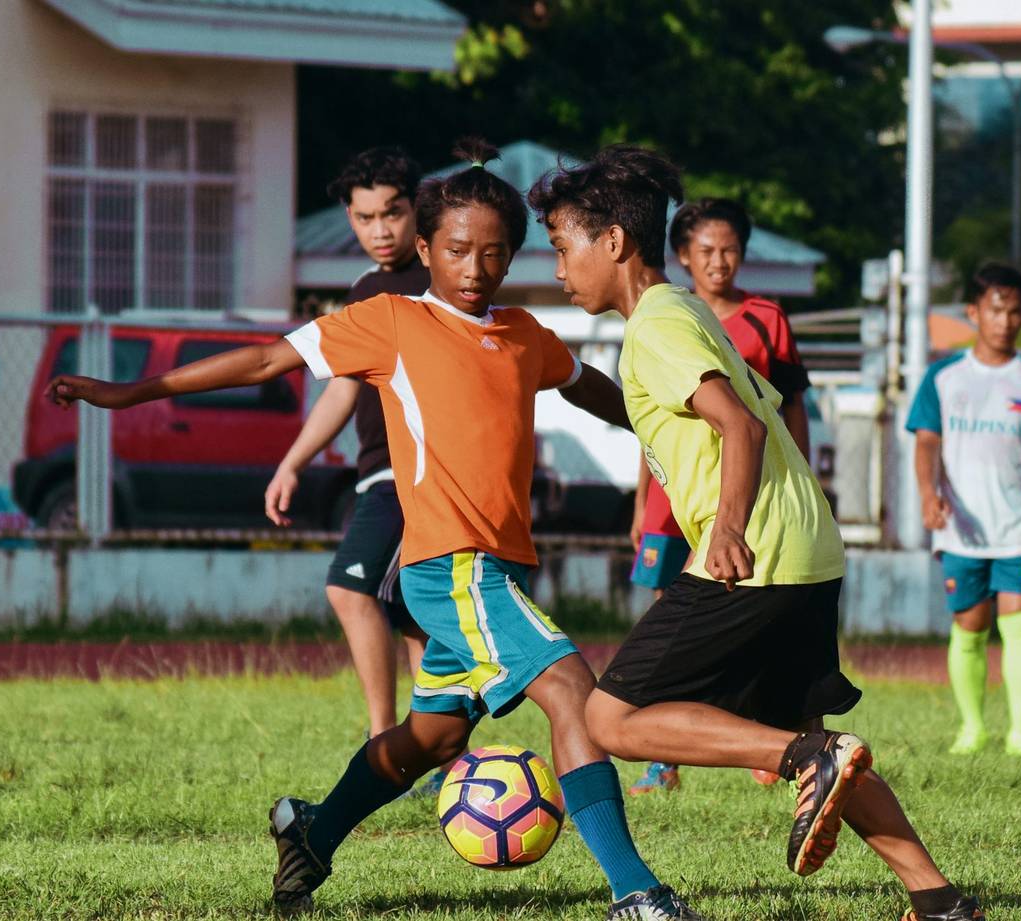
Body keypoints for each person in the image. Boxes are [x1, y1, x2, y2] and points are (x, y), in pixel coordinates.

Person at [47, 139, 704, 921]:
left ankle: (313, 831)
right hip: (453, 568)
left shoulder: (524, 333)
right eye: (456, 250)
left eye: (495, 253)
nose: (475, 268)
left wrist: (678, 421)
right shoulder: (392, 320)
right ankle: (635, 893)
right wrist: (131, 391)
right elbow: (263, 362)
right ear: (425, 248)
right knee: (572, 692)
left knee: (432, 739)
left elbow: (592, 387)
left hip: (498, 571)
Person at [537, 145, 985, 921]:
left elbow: (738, 425)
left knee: (608, 717)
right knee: (823, 750)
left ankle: (805, 756)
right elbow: (713, 412)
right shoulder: (685, 312)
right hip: (807, 547)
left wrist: (727, 530)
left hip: (756, 552)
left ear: (612, 241)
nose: (557, 269)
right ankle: (940, 900)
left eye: (560, 246)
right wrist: (579, 387)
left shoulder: (654, 327)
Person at [628, 198, 811, 794]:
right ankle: (665, 759)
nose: (718, 261)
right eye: (706, 250)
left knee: (747, 615)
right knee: (668, 621)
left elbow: (788, 406)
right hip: (673, 499)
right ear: (682, 255)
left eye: (730, 249)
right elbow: (651, 424)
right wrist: (641, 502)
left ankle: (765, 734)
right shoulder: (671, 316)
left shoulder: (765, 318)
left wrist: (803, 478)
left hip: (741, 494)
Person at [263, 147, 431, 742]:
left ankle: (384, 746)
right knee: (413, 618)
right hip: (378, 475)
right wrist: (292, 462)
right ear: (349, 219)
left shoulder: (443, 282)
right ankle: (432, 755)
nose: (380, 230)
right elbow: (342, 388)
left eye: (392, 213)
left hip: (415, 476)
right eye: (365, 218)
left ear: (417, 209)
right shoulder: (364, 289)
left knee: (349, 586)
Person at [906, 261, 1021, 757]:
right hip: (961, 528)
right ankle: (972, 729)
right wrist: (928, 493)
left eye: (1015, 311)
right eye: (996, 310)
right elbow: (926, 443)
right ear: (973, 312)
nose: (1005, 321)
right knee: (970, 625)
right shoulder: (944, 377)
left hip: (1019, 527)